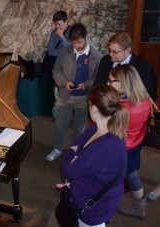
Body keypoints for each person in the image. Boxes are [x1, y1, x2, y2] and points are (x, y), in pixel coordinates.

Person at [62, 84, 128, 227]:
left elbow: (68, 170)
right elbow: (78, 145)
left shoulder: (104, 147)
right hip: (89, 193)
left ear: (94, 108)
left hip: (93, 209)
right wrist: (76, 154)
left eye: (89, 104)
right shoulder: (97, 128)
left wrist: (73, 154)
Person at [46, 23, 102, 161]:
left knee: (79, 128)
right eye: (74, 43)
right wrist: (65, 83)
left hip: (84, 98)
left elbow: (97, 78)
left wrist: (86, 84)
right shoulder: (65, 52)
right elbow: (56, 71)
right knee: (60, 125)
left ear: (86, 37)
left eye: (80, 42)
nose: (77, 46)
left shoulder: (96, 55)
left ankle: (73, 151)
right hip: (65, 95)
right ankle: (57, 148)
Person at [107, 64, 151, 219]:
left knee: (112, 181)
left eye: (111, 81)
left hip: (120, 149)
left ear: (123, 82)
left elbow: (109, 129)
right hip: (136, 143)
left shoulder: (121, 108)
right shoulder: (145, 98)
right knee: (132, 176)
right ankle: (139, 207)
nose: (108, 84)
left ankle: (107, 211)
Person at [93, 31, 157, 101]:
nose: (111, 54)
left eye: (115, 52)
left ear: (127, 50)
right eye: (110, 50)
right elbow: (97, 86)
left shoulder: (144, 68)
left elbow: (150, 97)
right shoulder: (105, 60)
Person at [42, 10, 71, 116]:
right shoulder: (53, 32)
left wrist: (62, 37)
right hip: (56, 65)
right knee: (57, 89)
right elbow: (51, 51)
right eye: (55, 24)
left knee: (66, 91)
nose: (57, 27)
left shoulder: (72, 32)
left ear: (66, 21)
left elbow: (71, 51)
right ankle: (57, 112)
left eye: (59, 23)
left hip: (68, 66)